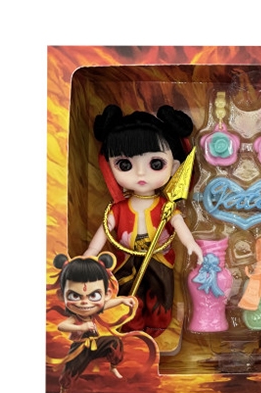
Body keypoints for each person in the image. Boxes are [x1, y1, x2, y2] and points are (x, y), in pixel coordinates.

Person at [85, 104, 203, 338]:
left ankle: (159, 322)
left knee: (161, 292)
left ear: (175, 166)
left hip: (160, 258)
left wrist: (191, 243)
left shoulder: (165, 206)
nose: (140, 174)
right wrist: (91, 251)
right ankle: (132, 323)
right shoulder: (119, 209)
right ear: (109, 167)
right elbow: (105, 230)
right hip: (126, 259)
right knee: (128, 292)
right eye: (125, 165)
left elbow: (179, 225)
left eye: (155, 164)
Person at [52, 252, 137, 393]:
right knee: (71, 369)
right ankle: (63, 391)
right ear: (61, 295)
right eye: (75, 296)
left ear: (106, 294)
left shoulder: (97, 308)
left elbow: (107, 305)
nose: (85, 302)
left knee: (115, 343)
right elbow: (62, 326)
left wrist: (123, 300)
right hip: (80, 347)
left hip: (96, 344)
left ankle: (113, 367)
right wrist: (81, 328)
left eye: (94, 296)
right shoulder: (75, 317)